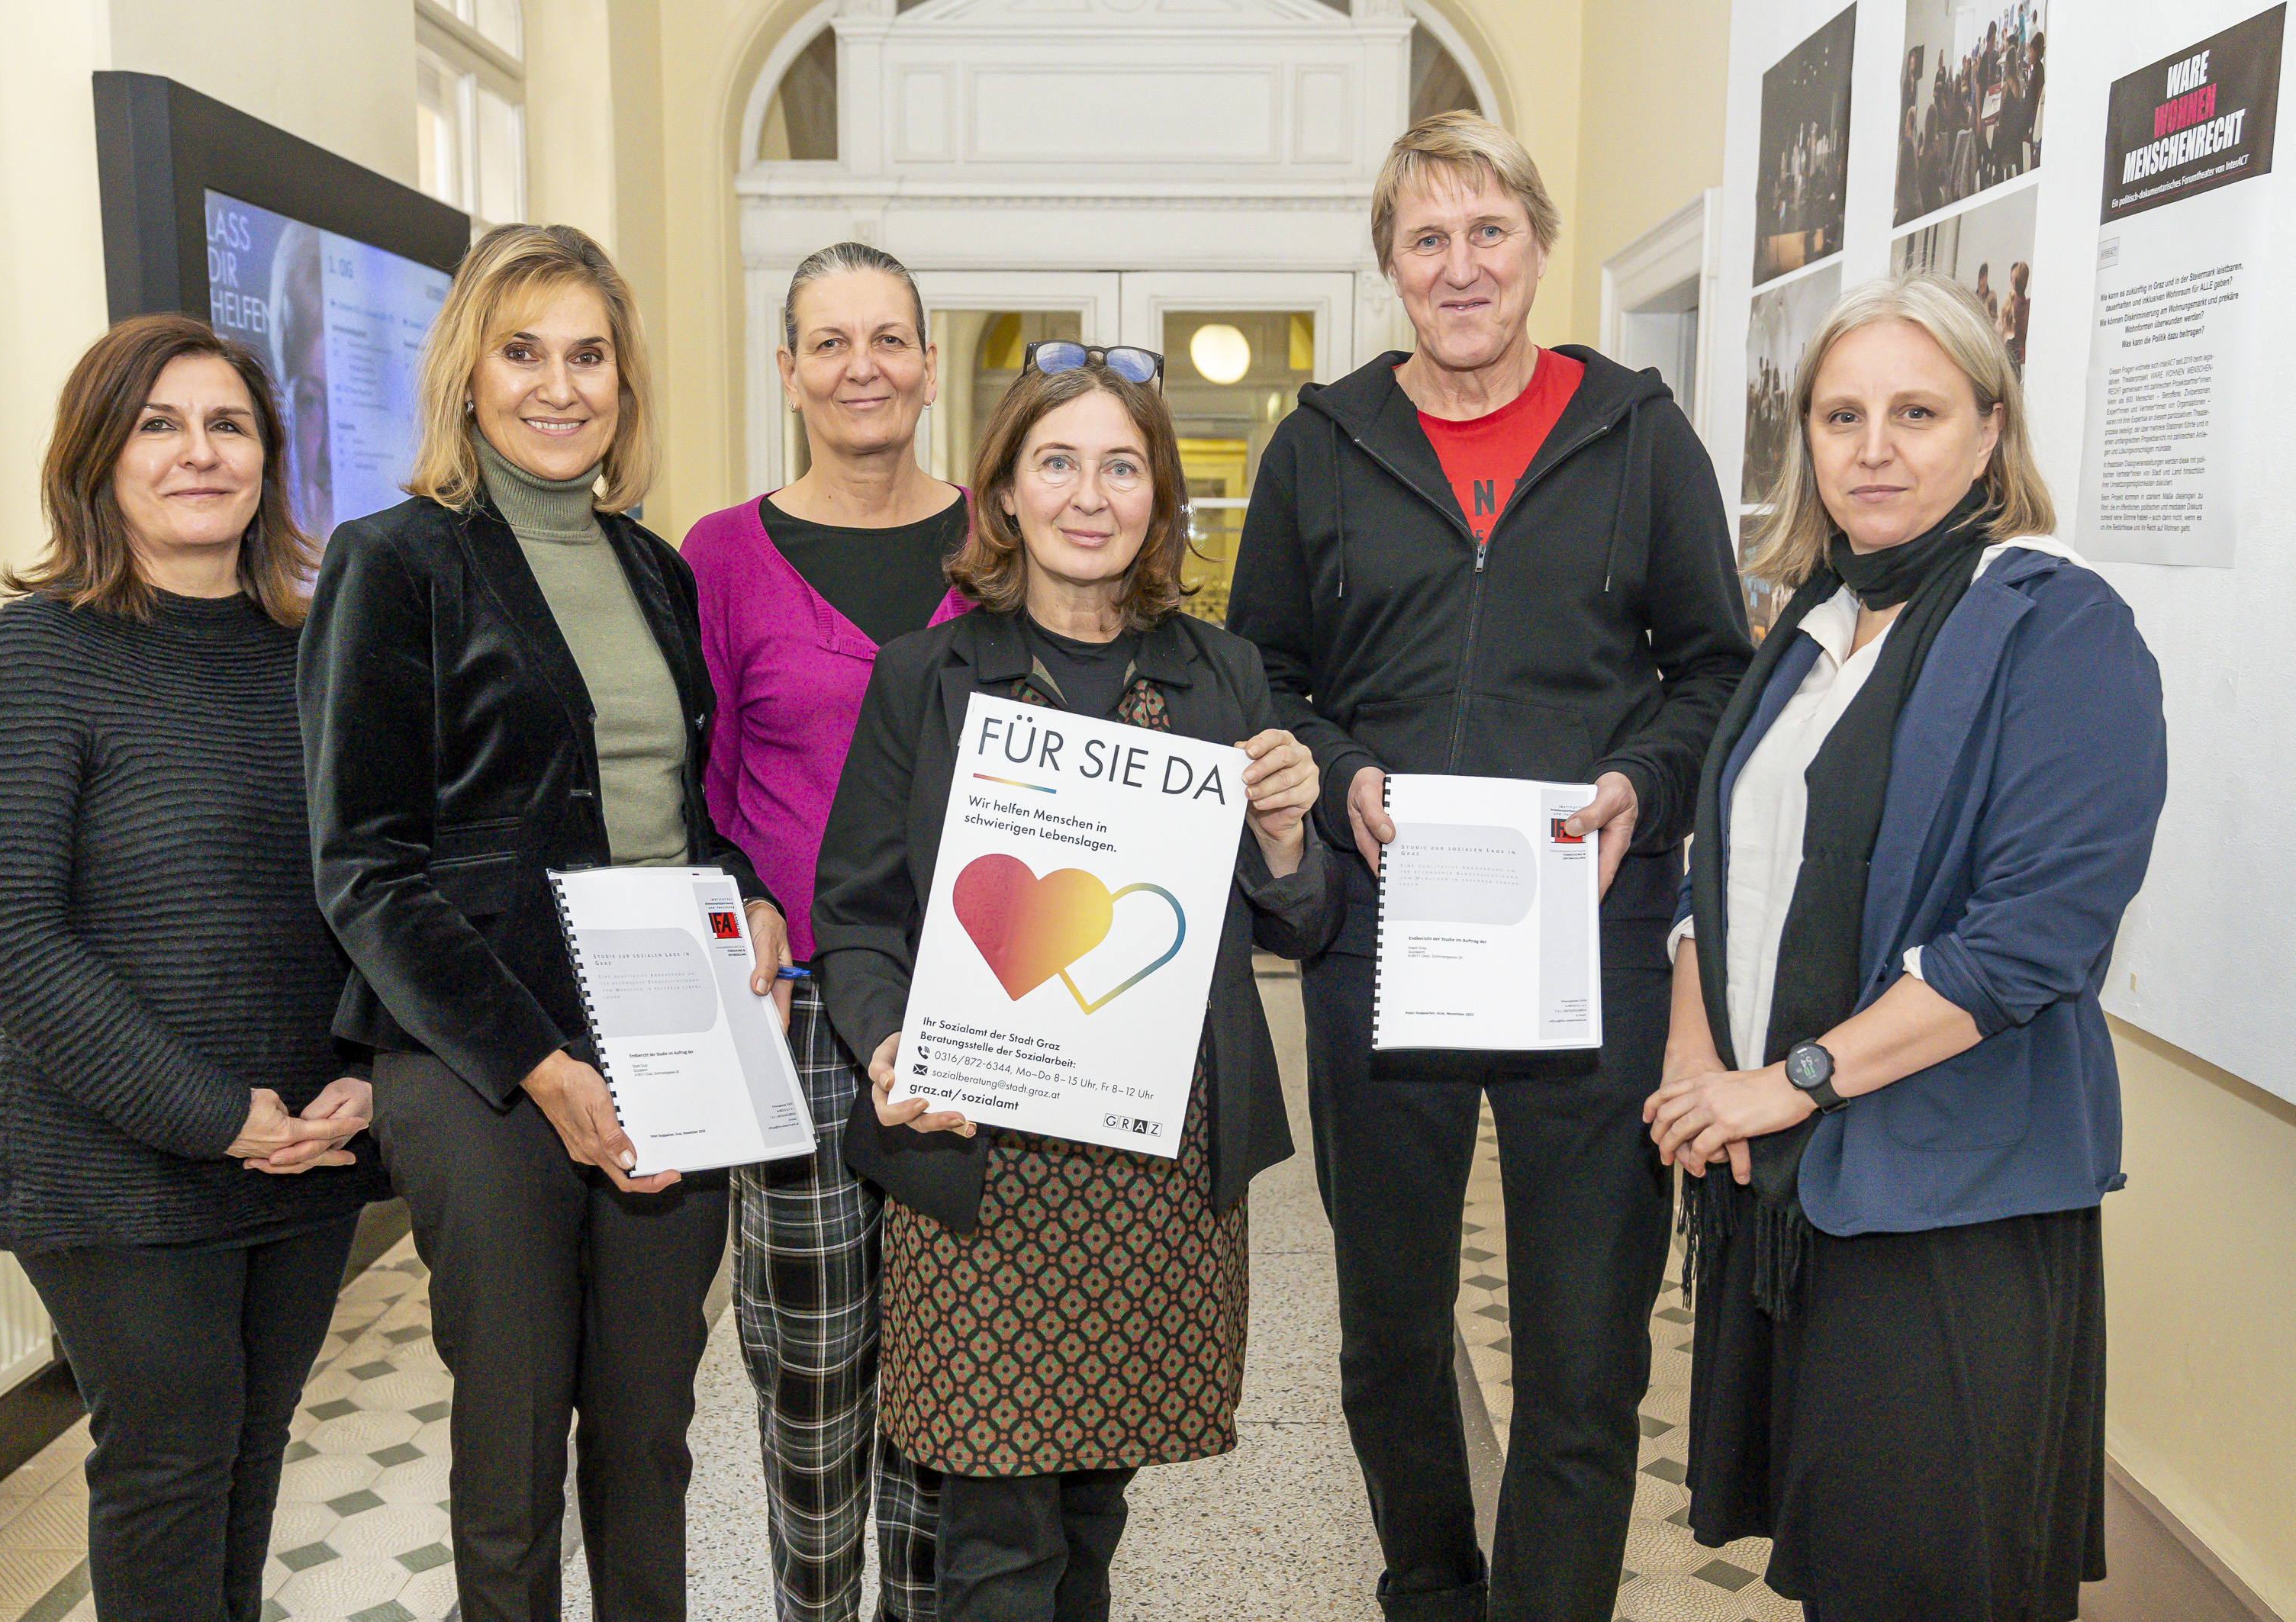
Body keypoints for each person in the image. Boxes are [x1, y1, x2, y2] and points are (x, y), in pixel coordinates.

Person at [1225, 110, 1751, 1622]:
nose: (1460, 267)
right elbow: (1254, 669)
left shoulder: (1637, 434)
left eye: (1487, 230)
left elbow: (1715, 670)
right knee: (1390, 1334)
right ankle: (1432, 1591)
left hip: (1585, 943)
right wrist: (1336, 777)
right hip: (1381, 947)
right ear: (1389, 265)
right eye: (1425, 238)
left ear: (1535, 240)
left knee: (1584, 1348)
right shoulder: (1317, 447)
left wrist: (1636, 789)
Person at [1654, 272, 2164, 1622]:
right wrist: (1695, 1052)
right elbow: (1722, 866)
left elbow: (2033, 934)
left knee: (1935, 1571)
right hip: (1792, 1193)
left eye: (1915, 410)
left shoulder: (2053, 624)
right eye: (1839, 414)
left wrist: (1793, 1078)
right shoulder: (1806, 633)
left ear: (1990, 431)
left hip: (1948, 1196)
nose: (1870, 446)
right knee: (1846, 1567)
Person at [299, 224, 784, 1621]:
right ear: (467, 372)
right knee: (512, 1446)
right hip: (476, 1061)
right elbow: (365, 864)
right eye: (524, 352)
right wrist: (538, 1062)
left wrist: (745, 889)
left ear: (625, 384)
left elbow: (665, 809)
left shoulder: (654, 571)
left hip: (666, 1039)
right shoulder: (393, 562)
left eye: (589, 356)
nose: (558, 387)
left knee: (645, 1434)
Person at [816, 349, 1344, 1620]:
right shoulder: (923, 678)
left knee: (1094, 1507)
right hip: (982, 1158)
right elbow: (855, 915)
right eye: (1056, 462)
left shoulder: (1222, 674)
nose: (1089, 494)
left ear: (1161, 503)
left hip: (1156, 1163)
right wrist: (888, 1046)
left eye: (1123, 466)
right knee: (996, 1529)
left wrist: (1283, 834)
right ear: (1002, 491)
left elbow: (1299, 913)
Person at [0, 313, 381, 1622]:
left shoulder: (313, 655)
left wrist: (359, 1076)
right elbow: (7, 937)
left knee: (247, 1460)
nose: (200, 453)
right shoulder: (35, 658)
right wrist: (212, 1113)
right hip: (114, 1163)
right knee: (170, 1469)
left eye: (229, 424)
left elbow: (368, 894)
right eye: (160, 425)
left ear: (268, 458)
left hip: (303, 1148)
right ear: (100, 459)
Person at [684, 241, 967, 1622]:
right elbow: (700, 784)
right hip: (793, 1006)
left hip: (976, 1012)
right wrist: (739, 891)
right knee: (810, 1360)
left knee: (949, 1356)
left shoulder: (1006, 540)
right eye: (830, 340)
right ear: (786, 369)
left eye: (890, 338)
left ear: (927, 364)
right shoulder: (721, 556)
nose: (864, 365)